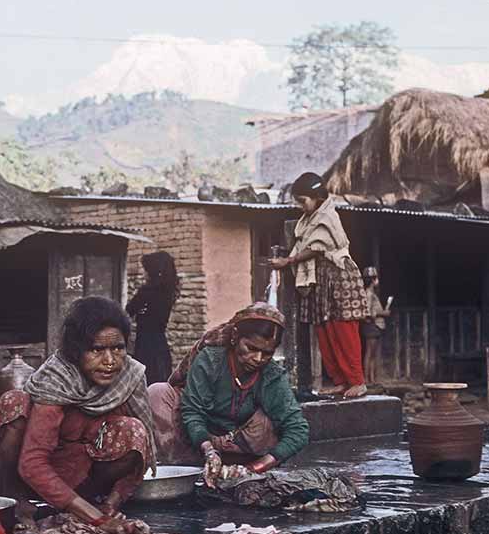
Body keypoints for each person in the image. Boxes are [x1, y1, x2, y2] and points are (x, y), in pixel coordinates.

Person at [0, 296, 156, 534]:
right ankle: (17, 503)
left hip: (85, 478)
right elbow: (32, 463)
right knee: (14, 403)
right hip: (34, 477)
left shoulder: (131, 375)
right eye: (97, 350)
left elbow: (141, 452)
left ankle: (90, 503)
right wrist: (98, 521)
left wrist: (110, 506)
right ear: (77, 351)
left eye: (118, 348)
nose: (109, 361)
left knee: (133, 430)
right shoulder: (57, 379)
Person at [148, 302, 310, 487]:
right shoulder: (211, 360)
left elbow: (298, 430)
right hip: (199, 442)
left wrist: (255, 468)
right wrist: (208, 450)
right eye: (251, 348)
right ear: (234, 337)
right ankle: (190, 466)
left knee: (272, 419)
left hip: (241, 446)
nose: (258, 359)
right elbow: (193, 411)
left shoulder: (271, 375)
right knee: (158, 394)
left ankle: (235, 468)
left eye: (267, 353)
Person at [269, 172, 369, 398]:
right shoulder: (309, 220)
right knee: (325, 331)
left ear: (317, 198)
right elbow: (304, 242)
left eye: (303, 201)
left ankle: (357, 381)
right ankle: (341, 381)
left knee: (343, 329)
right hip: (322, 280)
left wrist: (289, 260)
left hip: (339, 277)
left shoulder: (328, 217)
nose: (300, 206)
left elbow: (315, 247)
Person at [125, 251, 179, 385]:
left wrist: (141, 312)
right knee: (160, 379)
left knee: (146, 380)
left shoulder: (147, 291)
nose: (144, 274)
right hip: (160, 343)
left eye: (146, 270)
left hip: (146, 343)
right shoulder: (168, 291)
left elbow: (129, 310)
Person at [361, 266, 391, 385]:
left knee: (372, 353)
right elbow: (367, 312)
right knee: (370, 352)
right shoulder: (369, 294)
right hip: (371, 325)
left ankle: (371, 379)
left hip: (374, 326)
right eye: (375, 278)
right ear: (373, 280)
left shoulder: (372, 294)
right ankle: (367, 379)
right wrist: (383, 313)